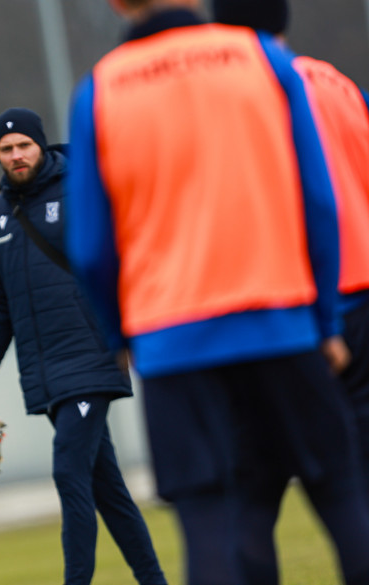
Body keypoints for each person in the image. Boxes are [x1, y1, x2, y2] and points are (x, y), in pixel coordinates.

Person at [66, 1, 369, 583]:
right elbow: (318, 200)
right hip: (279, 321)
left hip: (172, 341)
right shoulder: (262, 59)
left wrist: (118, 333)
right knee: (341, 494)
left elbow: (91, 247)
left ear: (116, 3)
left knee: (215, 519)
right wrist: (325, 320)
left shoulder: (99, 91)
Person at [0, 108, 166, 585]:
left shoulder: (82, 191)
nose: (16, 155)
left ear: (41, 145)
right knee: (107, 490)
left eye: (24, 145)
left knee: (68, 472)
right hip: (46, 370)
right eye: (6, 149)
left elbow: (123, 260)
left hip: (92, 355)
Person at [211, 0, 369, 582]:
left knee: (255, 485)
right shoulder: (337, 82)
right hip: (363, 294)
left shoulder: (245, 93)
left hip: (297, 306)